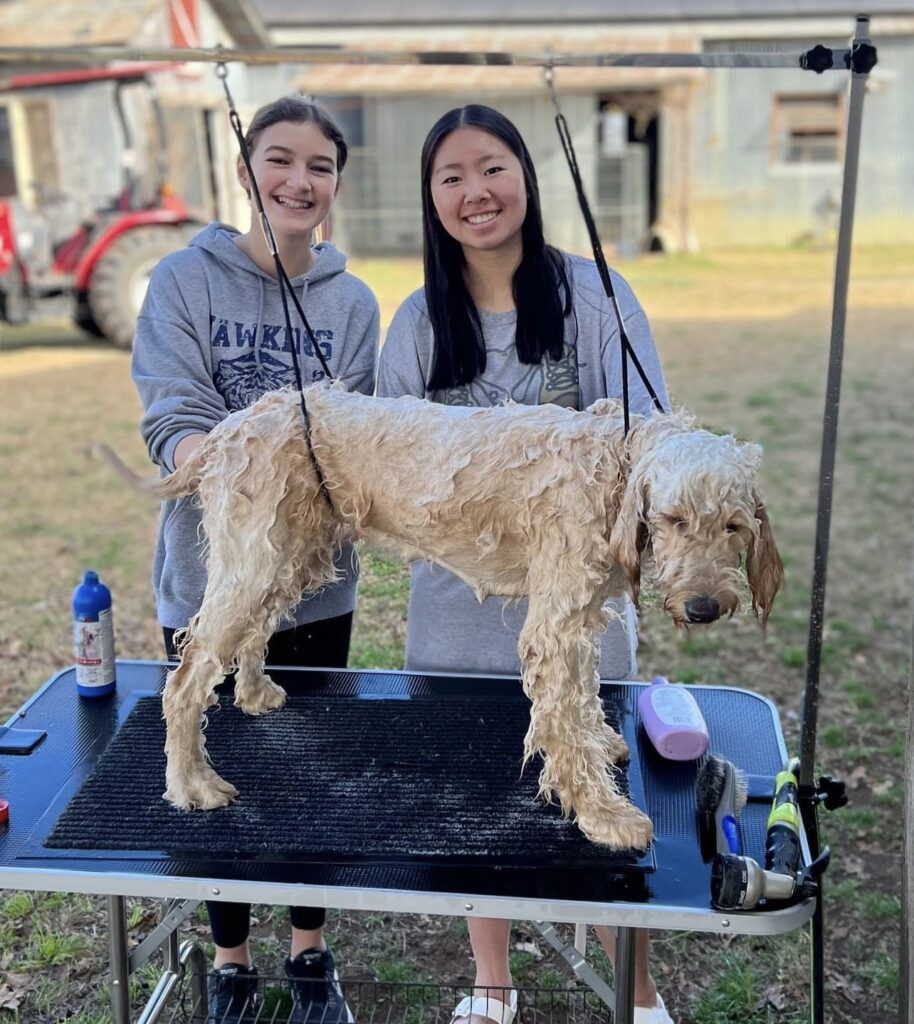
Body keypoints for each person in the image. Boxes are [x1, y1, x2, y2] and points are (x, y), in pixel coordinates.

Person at [377, 105, 673, 1024]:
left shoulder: (597, 296)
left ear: (527, 178)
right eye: (451, 177)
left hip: (583, 615)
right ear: (431, 199)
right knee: (479, 804)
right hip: (455, 615)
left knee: (601, 800)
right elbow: (391, 457)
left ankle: (635, 984)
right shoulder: (420, 318)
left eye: (492, 168)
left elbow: (646, 438)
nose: (476, 193)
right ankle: (491, 980)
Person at [132, 95, 379, 1024]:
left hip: (316, 591)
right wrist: (242, 474)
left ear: (336, 185)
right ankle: (232, 960)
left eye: (318, 167)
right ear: (246, 170)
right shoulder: (182, 282)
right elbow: (173, 412)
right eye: (280, 160)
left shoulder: (354, 303)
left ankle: (311, 956)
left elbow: (358, 427)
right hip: (210, 575)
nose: (298, 181)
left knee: (309, 774)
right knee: (212, 770)